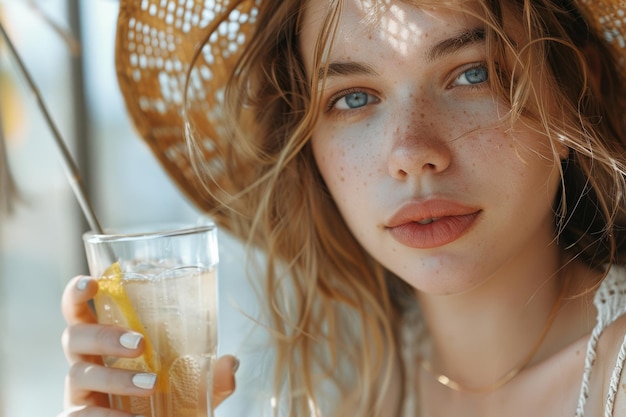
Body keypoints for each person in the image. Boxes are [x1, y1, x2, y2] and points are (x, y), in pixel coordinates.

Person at [60, 0, 626, 416]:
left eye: (471, 73)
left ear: (576, 84)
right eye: (354, 98)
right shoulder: (326, 397)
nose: (410, 154)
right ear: (306, 146)